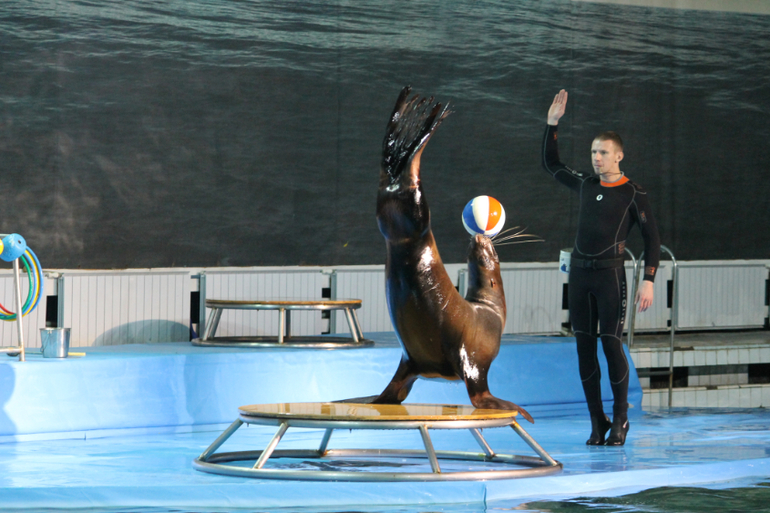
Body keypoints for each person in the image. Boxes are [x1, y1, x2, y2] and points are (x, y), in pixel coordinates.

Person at [542, 89, 660, 446]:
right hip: (580, 275)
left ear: (618, 156)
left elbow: (652, 240)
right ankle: (598, 420)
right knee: (584, 348)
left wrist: (649, 280)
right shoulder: (586, 183)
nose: (596, 158)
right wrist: (552, 124)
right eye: (594, 152)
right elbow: (552, 164)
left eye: (603, 152)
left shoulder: (632, 192)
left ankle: (621, 417)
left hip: (610, 276)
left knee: (610, 345)